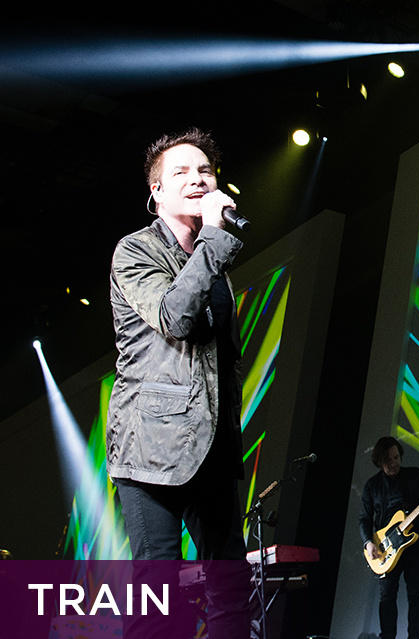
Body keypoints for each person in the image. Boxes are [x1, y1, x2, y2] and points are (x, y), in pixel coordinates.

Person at [107, 127, 251, 638]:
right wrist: (213, 237)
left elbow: (222, 359)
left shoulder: (213, 258)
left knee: (232, 590)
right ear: (157, 192)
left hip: (210, 447)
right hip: (150, 447)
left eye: (205, 171)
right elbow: (175, 318)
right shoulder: (135, 251)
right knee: (158, 598)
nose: (197, 179)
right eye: (181, 172)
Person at [359, 436, 419, 639]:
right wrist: (368, 543)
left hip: (415, 544)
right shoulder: (372, 486)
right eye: (388, 460)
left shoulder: (414, 475)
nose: (394, 463)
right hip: (386, 548)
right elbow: (364, 518)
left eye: (396, 458)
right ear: (379, 461)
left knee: (416, 596)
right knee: (386, 597)